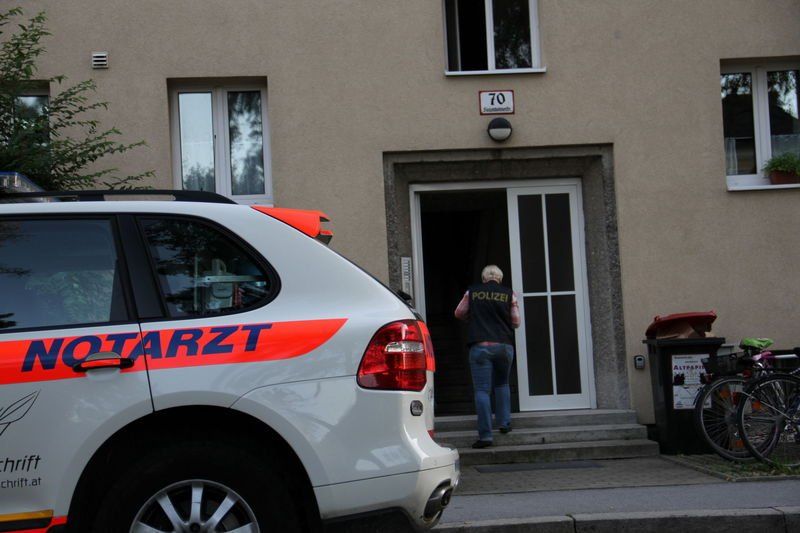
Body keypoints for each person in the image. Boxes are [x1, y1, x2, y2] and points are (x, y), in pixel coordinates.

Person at [454, 265, 520, 449]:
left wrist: (473, 319)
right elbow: (516, 322)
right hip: (503, 346)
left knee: (482, 391)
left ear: (484, 278)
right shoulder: (509, 294)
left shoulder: (472, 292)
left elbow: (458, 313)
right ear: (500, 278)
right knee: (502, 384)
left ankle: (485, 436)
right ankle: (504, 423)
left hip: (480, 345)